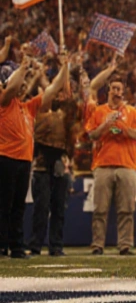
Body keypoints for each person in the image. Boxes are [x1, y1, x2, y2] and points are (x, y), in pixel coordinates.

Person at [1, 54, 66, 258]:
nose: (22, 88)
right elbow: (10, 89)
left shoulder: (26, 108)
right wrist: (24, 66)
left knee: (18, 206)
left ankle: (16, 246)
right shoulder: (3, 102)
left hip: (23, 161)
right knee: (4, 204)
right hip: (5, 158)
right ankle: (2, 245)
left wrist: (66, 67)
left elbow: (52, 90)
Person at [86, 76, 136, 257]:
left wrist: (123, 126)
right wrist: (107, 123)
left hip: (127, 165)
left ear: (124, 92)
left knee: (126, 209)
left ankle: (125, 245)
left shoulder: (132, 112)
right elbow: (92, 135)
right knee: (100, 209)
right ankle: (97, 245)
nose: (117, 92)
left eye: (120, 89)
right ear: (108, 91)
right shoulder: (98, 111)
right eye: (114, 89)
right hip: (103, 164)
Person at [29, 55, 76, 257]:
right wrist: (65, 66)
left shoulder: (66, 114)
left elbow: (66, 93)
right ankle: (36, 245)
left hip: (60, 161)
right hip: (41, 161)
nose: (59, 96)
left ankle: (55, 246)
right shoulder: (42, 107)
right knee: (41, 208)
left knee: (58, 208)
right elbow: (52, 90)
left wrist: (66, 67)